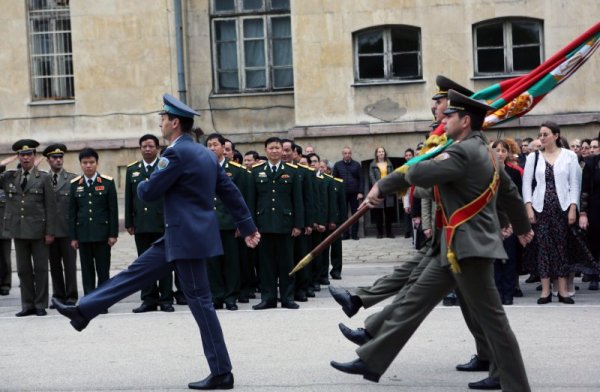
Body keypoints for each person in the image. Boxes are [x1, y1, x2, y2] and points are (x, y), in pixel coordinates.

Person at [53, 93, 260, 390]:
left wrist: (143, 184)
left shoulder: (176, 154)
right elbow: (230, 193)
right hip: (183, 236)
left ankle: (222, 371)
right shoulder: (206, 154)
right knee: (134, 274)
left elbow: (149, 192)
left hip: (185, 240)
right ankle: (84, 310)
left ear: (175, 123)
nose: (161, 123)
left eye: (163, 119)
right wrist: (248, 226)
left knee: (200, 303)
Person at [330, 90, 534, 391]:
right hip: (455, 247)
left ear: (465, 121)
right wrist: (521, 226)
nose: (445, 119)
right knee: (414, 300)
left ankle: (517, 386)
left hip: (469, 249)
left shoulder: (463, 152)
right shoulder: (488, 153)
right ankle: (372, 358)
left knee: (494, 322)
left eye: (450, 115)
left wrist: (383, 185)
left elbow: (420, 172)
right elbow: (510, 195)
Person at [523, 122, 583, 304]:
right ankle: (546, 291)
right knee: (543, 249)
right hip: (540, 208)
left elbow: (575, 184)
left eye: (545, 134)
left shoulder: (569, 156)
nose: (541, 137)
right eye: (540, 134)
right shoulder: (533, 157)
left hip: (562, 208)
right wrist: (528, 207)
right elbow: (526, 184)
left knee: (561, 248)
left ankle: (563, 291)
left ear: (556, 136)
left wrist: (573, 207)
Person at [0, 140, 56, 317]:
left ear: (34, 156)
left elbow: (51, 207)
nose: (26, 158)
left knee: (40, 269)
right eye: (22, 155)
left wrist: (49, 232)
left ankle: (40, 304)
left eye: (29, 154)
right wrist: (2, 164)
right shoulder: (10, 176)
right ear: (18, 157)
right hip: (18, 230)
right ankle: (27, 304)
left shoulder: (44, 178)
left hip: (39, 231)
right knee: (23, 271)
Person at [247, 137, 304, 310]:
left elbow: (298, 201)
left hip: (285, 225)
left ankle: (287, 297)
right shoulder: (256, 172)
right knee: (266, 265)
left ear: (282, 151)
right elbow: (251, 201)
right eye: (271, 148)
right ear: (265, 150)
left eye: (277, 148)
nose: (274, 151)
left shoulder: (292, 171)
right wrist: (251, 226)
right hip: (263, 225)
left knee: (287, 263)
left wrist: (298, 224)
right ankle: (268, 298)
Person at [126, 134, 174, 313]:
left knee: (165, 261)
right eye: (144, 146)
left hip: (162, 222)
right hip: (142, 224)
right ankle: (148, 299)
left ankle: (166, 298)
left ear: (156, 148)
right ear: (140, 148)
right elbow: (130, 198)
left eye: (150, 146)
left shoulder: (165, 166)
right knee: (144, 263)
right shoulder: (133, 170)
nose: (147, 149)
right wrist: (130, 222)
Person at [69, 148, 118, 296]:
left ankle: (102, 300)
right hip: (83, 235)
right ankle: (89, 300)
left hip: (102, 235)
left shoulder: (107, 183)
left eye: (91, 162)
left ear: (97, 163)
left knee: (103, 270)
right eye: (85, 163)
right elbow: (72, 213)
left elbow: (113, 211)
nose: (88, 165)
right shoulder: (75, 184)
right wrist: (73, 237)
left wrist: (113, 234)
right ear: (80, 164)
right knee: (87, 270)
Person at [205, 133, 246, 311]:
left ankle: (231, 297)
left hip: (230, 223)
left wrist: (241, 223)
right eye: (209, 145)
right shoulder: (201, 169)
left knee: (231, 263)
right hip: (208, 224)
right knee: (212, 263)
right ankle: (216, 296)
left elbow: (242, 199)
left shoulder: (236, 171)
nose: (212, 148)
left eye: (215, 145)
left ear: (224, 147)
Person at [44, 144, 78, 307]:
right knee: (54, 265)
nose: (58, 160)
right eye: (54, 158)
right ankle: (58, 295)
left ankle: (71, 296)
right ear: (48, 160)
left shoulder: (72, 179)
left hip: (68, 230)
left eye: (60, 157)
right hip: (49, 231)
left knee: (70, 266)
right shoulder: (42, 179)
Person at [492, 140, 522, 305]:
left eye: (504, 150)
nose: (501, 153)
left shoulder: (514, 172)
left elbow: (517, 199)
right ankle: (497, 291)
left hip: (509, 220)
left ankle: (508, 293)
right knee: (495, 257)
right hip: (492, 219)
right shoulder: (487, 171)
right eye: (497, 150)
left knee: (510, 257)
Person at [333, 147, 363, 240]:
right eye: (345, 153)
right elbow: (334, 179)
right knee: (343, 214)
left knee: (355, 214)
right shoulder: (337, 165)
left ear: (351, 154)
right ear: (342, 154)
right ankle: (345, 234)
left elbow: (361, 179)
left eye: (349, 153)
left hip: (354, 193)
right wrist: (336, 192)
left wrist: (360, 192)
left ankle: (354, 234)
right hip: (342, 193)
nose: (347, 155)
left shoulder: (357, 165)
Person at [368, 147, 395, 238]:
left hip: (388, 189)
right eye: (379, 152)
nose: (381, 153)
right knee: (378, 213)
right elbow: (371, 177)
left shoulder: (389, 163)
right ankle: (380, 233)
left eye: (382, 151)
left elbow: (392, 175)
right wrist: (377, 187)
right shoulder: (372, 165)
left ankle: (389, 232)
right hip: (378, 190)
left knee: (389, 213)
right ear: (376, 154)